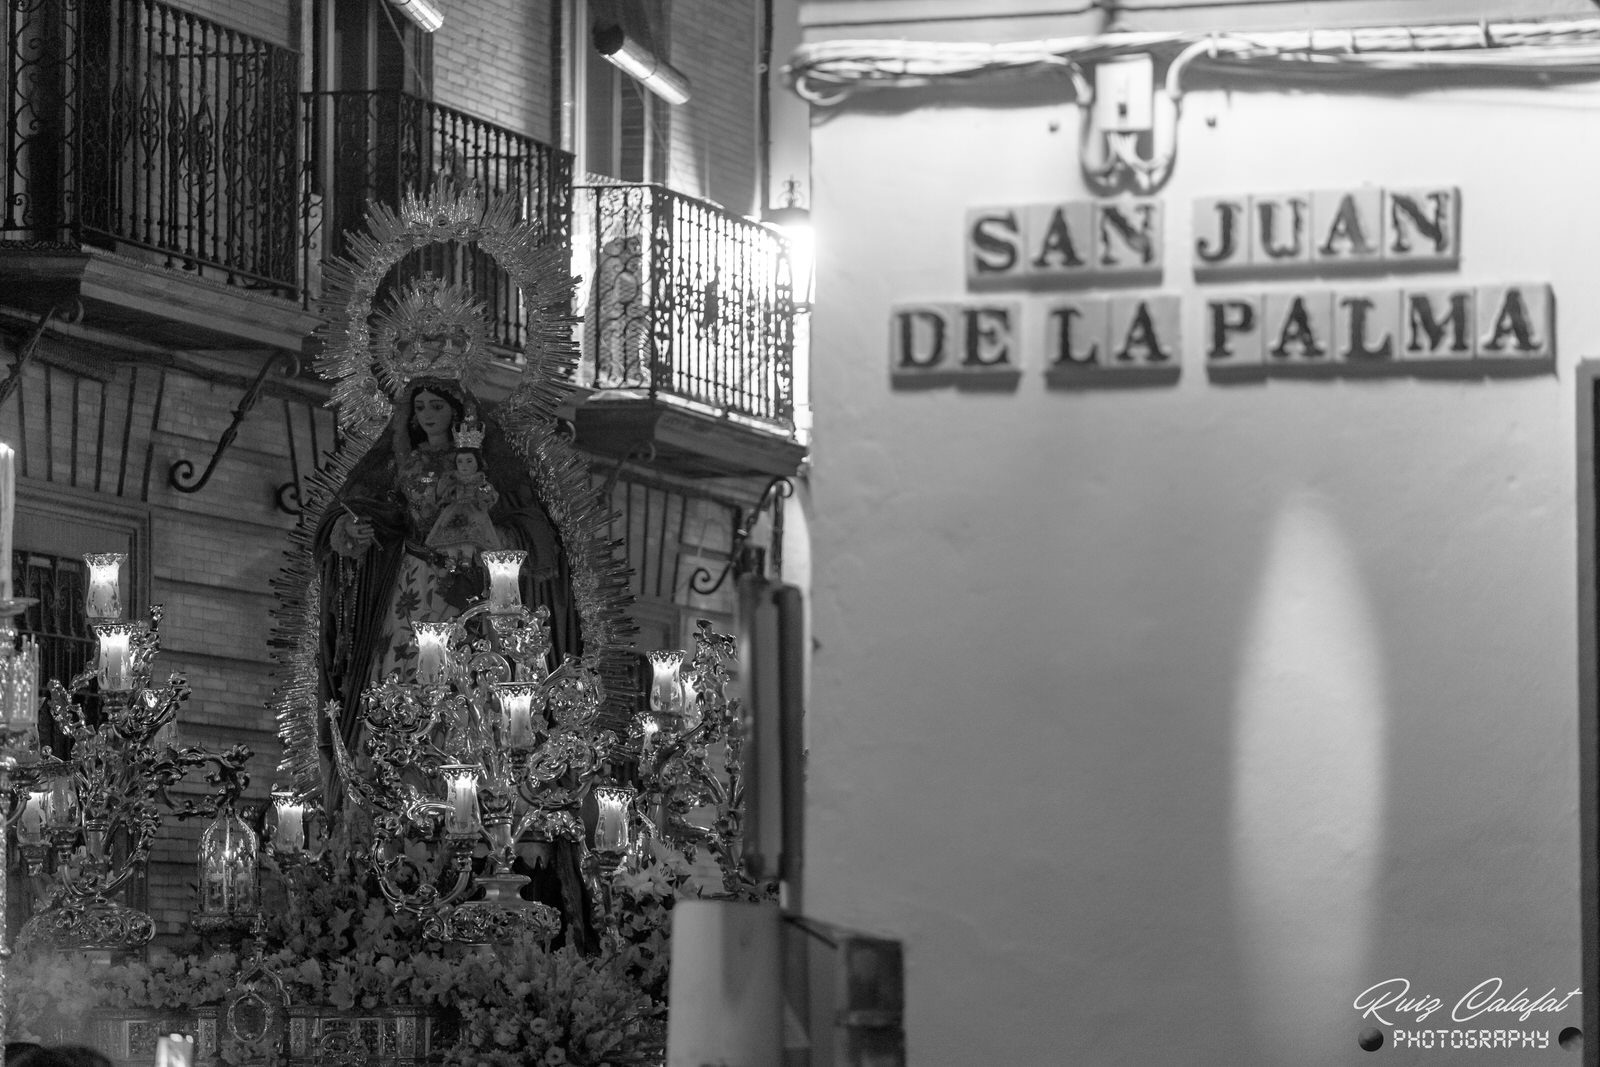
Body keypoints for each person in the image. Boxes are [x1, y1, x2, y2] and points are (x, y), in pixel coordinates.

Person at [425, 438, 502, 567]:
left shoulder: (480, 481)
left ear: (477, 463)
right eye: (460, 461)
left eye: (469, 461)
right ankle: (452, 559)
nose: (464, 465)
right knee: (451, 535)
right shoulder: (453, 480)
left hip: (473, 511)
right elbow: (445, 496)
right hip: (454, 510)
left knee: (470, 536)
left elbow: (490, 496)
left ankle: (467, 558)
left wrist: (485, 493)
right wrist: (448, 491)